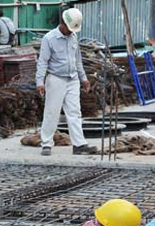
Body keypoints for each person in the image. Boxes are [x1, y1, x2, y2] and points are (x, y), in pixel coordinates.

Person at [35, 8, 97, 156]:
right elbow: (42, 62)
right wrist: (40, 81)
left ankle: (79, 145)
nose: (70, 31)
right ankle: (46, 144)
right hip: (56, 79)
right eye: (69, 28)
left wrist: (84, 78)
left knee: (75, 112)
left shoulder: (74, 37)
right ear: (62, 23)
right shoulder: (49, 39)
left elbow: (78, 60)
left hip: (73, 79)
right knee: (52, 112)